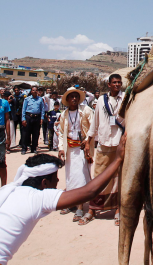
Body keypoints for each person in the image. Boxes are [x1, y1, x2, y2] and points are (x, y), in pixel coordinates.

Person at [0, 139, 126, 265]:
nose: (58, 182)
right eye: (55, 179)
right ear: (44, 183)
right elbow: (89, 191)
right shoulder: (37, 197)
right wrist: (117, 159)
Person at [83, 74, 125, 225]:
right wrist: (88, 140)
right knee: (98, 175)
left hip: (119, 143)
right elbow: (95, 121)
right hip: (104, 142)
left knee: (118, 177)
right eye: (114, 82)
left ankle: (118, 210)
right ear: (108, 84)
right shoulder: (101, 100)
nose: (117, 85)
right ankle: (92, 209)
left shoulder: (126, 98)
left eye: (119, 82)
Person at [57, 87, 94, 225]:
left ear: (79, 99)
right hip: (69, 149)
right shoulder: (64, 115)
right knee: (70, 176)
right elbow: (61, 132)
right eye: (71, 97)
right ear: (67, 100)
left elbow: (93, 126)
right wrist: (61, 148)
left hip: (82, 148)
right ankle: (71, 202)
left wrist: (88, 140)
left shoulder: (85, 111)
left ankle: (80, 207)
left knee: (80, 176)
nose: (73, 99)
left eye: (75, 96)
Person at [21, 86, 45, 154]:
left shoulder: (40, 99)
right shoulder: (27, 99)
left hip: (37, 118)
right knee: (26, 134)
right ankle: (24, 148)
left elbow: (42, 109)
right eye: (33, 90)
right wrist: (23, 119)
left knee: (36, 134)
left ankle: (33, 148)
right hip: (28, 117)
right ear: (31, 91)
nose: (35, 91)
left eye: (36, 90)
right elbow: (23, 109)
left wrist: (42, 118)